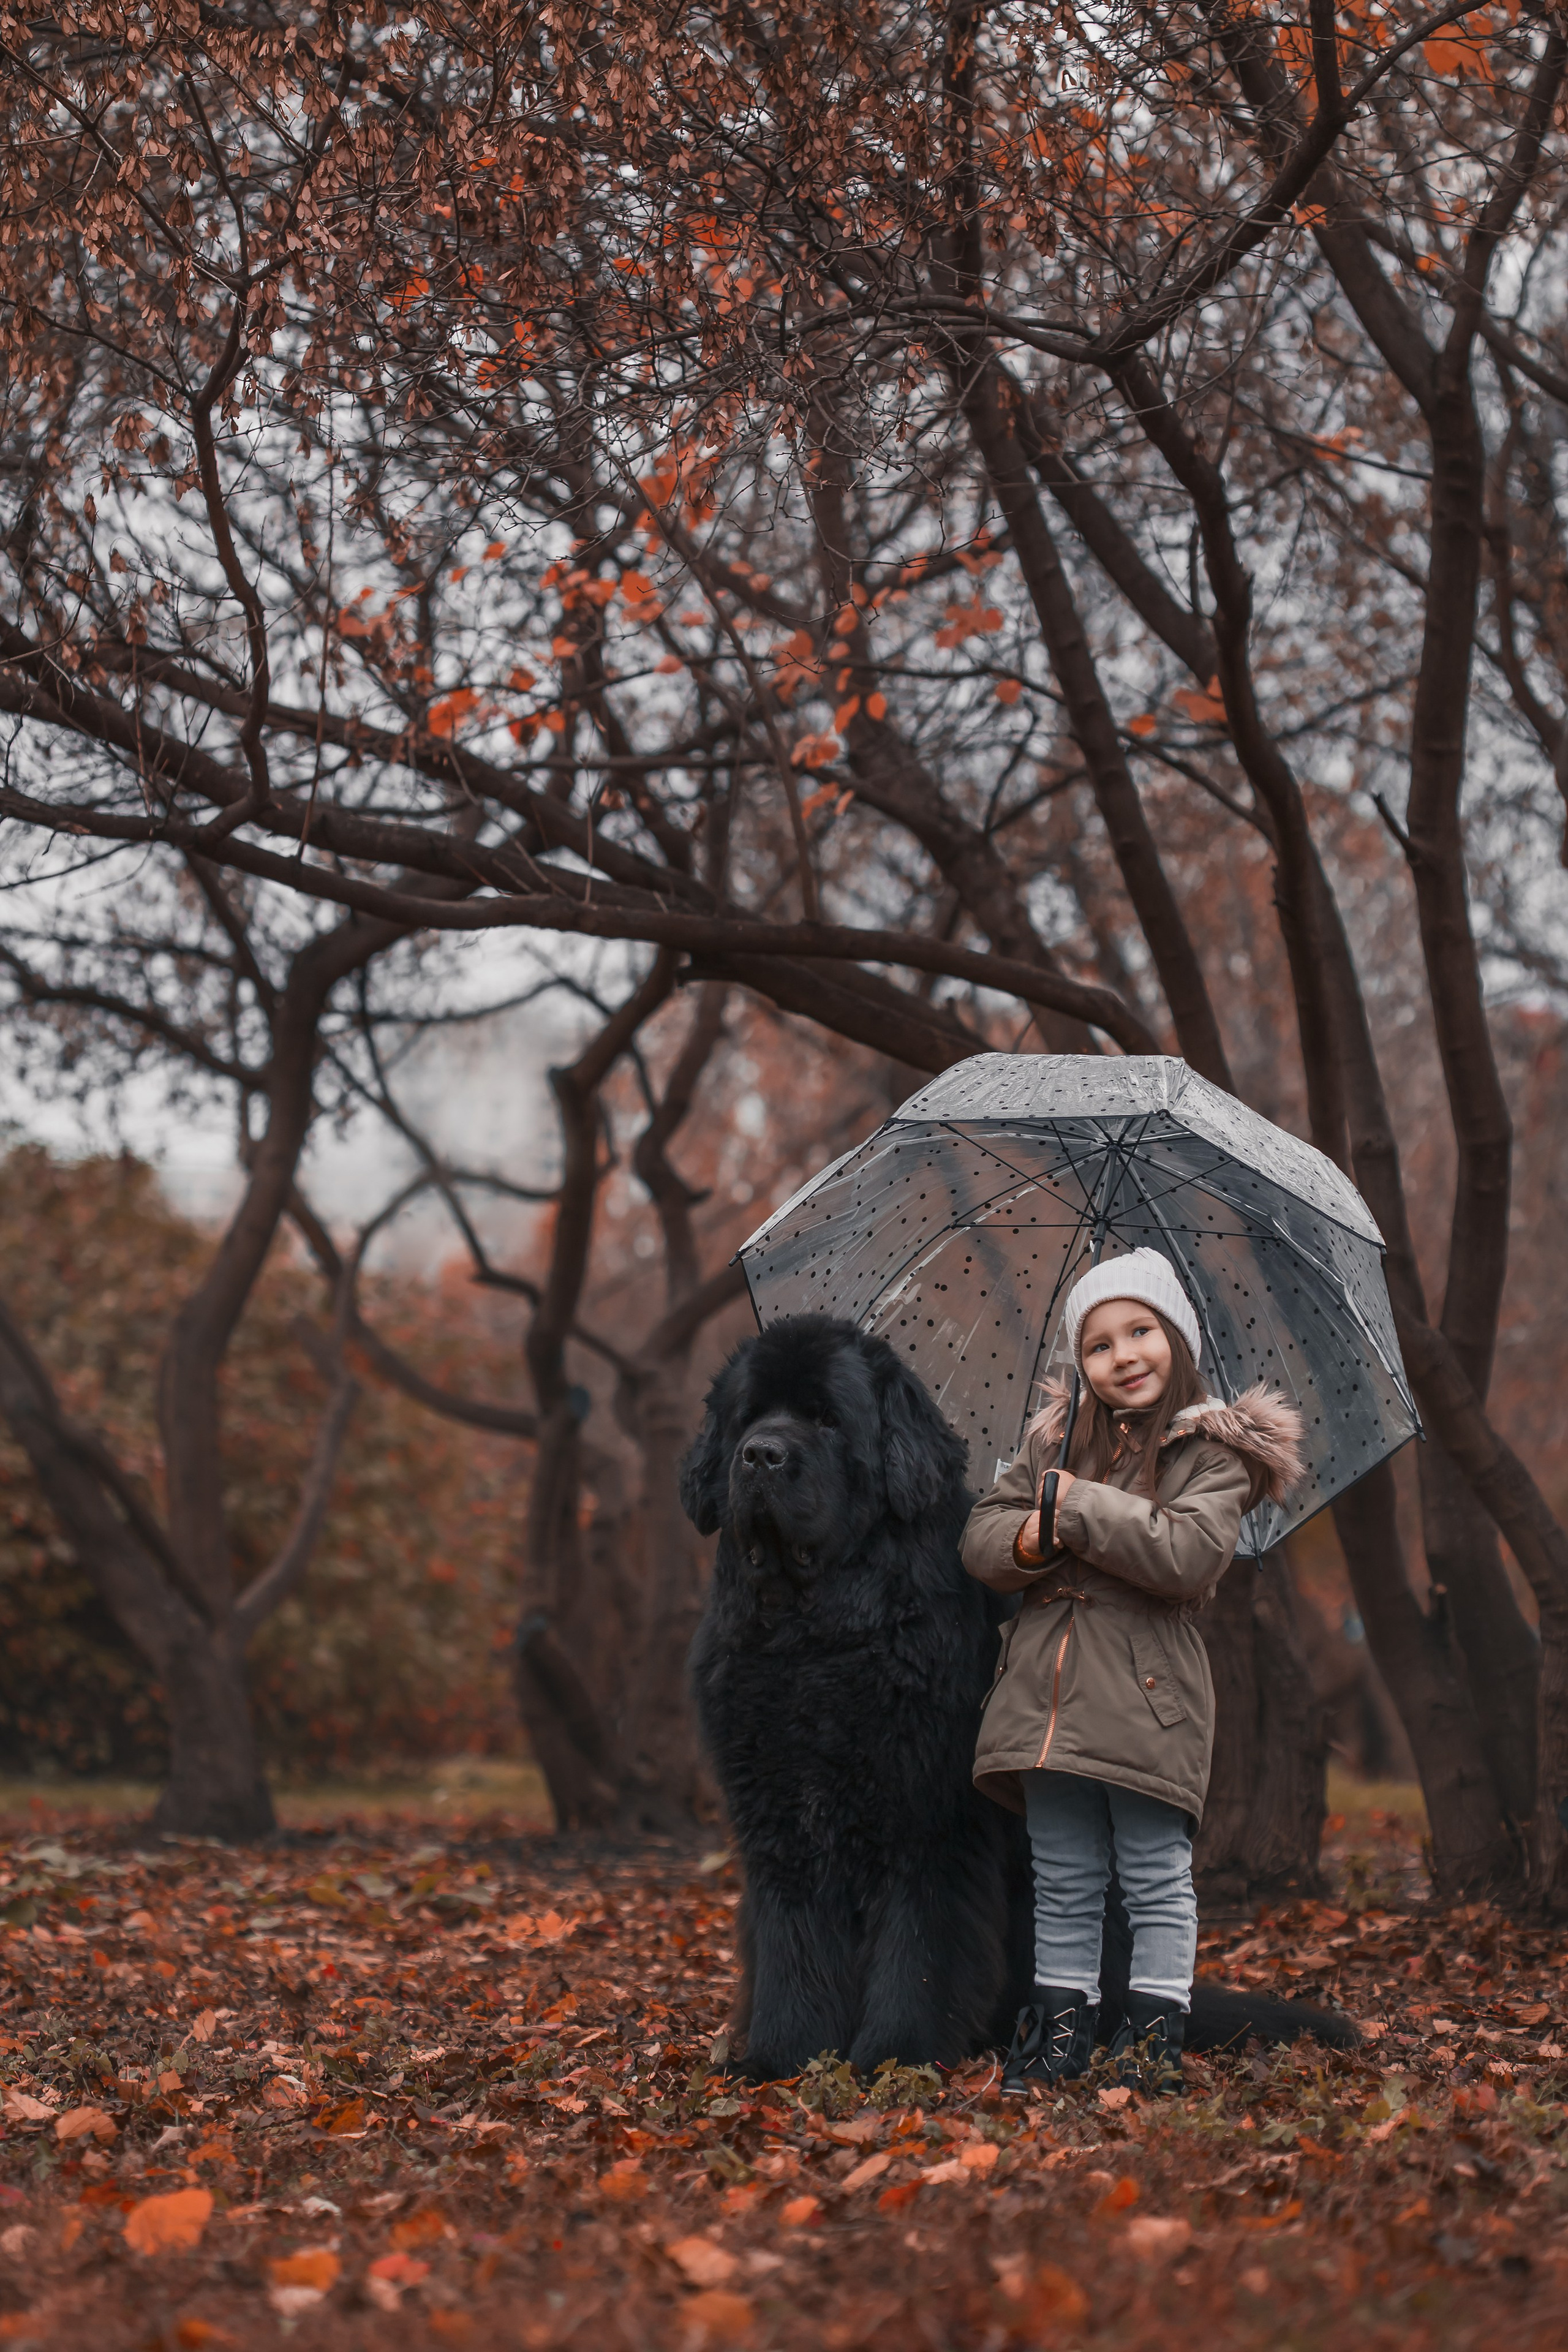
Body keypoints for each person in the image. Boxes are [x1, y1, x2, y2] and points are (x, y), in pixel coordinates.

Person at [961, 1248, 1305, 2096]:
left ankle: (1154, 2034)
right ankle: (1060, 2029)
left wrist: (1074, 1505)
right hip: (1046, 1704)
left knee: (1154, 1877)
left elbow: (1185, 1552)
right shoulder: (1050, 1445)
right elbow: (982, 1535)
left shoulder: (1212, 1453)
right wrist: (1031, 1539)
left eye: (1140, 1331)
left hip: (1150, 1704)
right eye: (1100, 1345)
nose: (1124, 1357)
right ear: (1080, 1365)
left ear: (1177, 1339)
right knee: (1065, 1878)